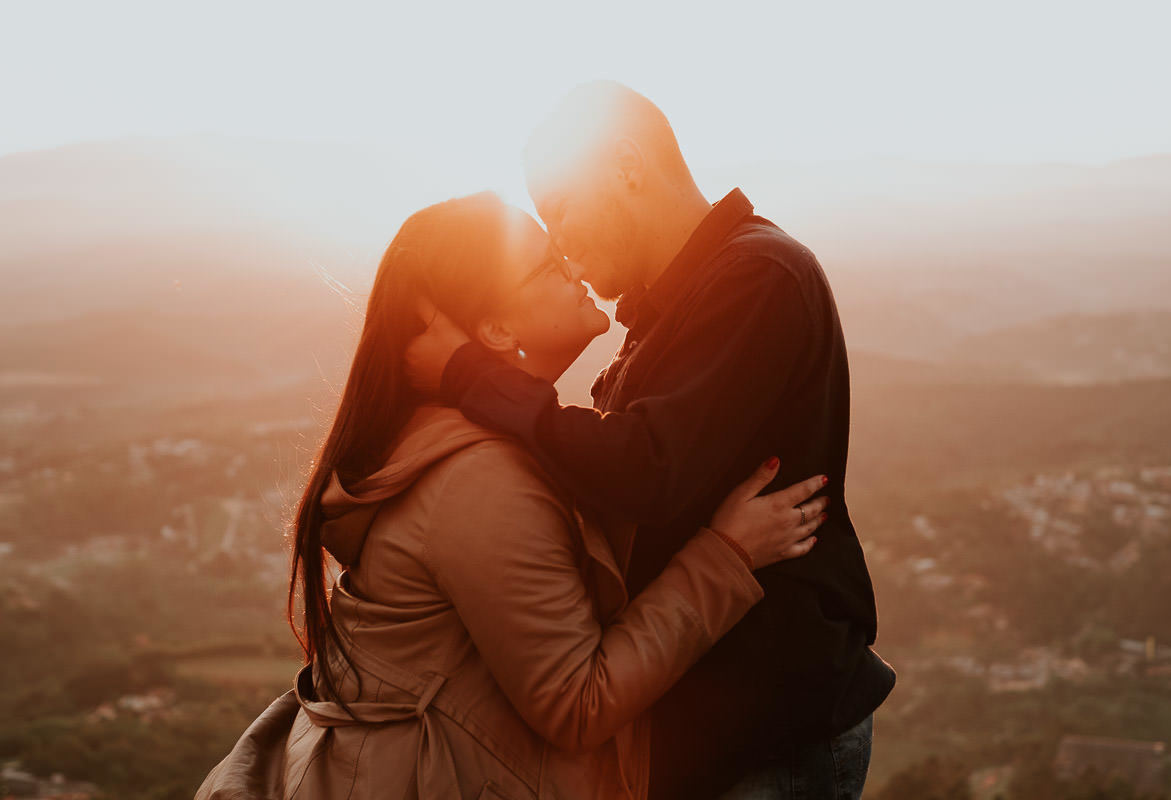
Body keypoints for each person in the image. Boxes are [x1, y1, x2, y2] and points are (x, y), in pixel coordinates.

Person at [195, 192, 831, 800]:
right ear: (497, 328)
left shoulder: (462, 438)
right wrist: (727, 554)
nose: (574, 266)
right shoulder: (480, 479)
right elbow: (577, 705)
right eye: (549, 265)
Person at [404, 82, 896, 799]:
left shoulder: (758, 275)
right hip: (714, 731)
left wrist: (468, 373)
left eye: (561, 211)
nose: (562, 246)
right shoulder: (669, 306)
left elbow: (647, 468)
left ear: (627, 166)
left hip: (774, 734)